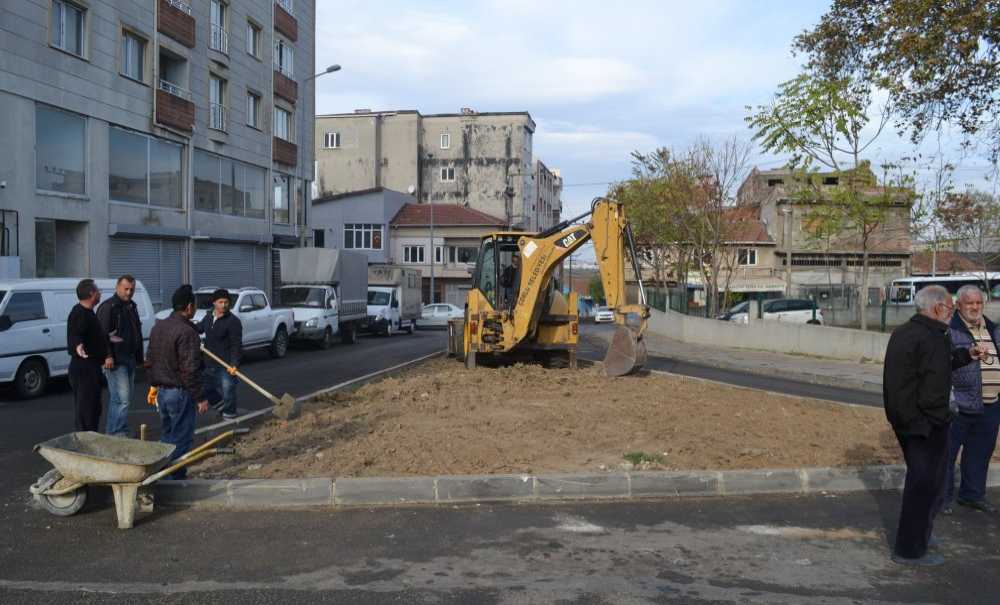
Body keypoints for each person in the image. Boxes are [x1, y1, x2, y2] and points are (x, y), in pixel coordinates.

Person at [883, 285, 981, 566]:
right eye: (951, 307)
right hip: (925, 424)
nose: (952, 312)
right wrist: (941, 418)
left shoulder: (905, 332)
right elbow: (933, 387)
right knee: (925, 486)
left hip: (906, 420)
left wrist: (965, 356)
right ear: (938, 308)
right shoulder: (933, 337)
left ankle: (920, 534)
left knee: (924, 483)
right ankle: (910, 549)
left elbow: (932, 368)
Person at [943, 285, 1000, 514]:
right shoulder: (949, 330)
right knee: (946, 454)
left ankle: (972, 495)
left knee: (980, 453)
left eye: (978, 303)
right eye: (970, 303)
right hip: (959, 404)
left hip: (991, 404)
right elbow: (942, 363)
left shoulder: (993, 329)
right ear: (959, 305)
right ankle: (942, 498)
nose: (975, 307)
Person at [146, 285, 208, 479]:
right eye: (194, 305)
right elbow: (190, 369)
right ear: (189, 307)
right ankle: (175, 478)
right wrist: (200, 397)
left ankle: (161, 474)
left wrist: (155, 385)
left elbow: (149, 359)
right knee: (181, 438)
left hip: (162, 393)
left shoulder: (158, 327)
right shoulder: (187, 333)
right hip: (179, 392)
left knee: (167, 436)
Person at [95, 275, 144, 436]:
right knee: (121, 399)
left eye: (132, 289)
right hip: (116, 361)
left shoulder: (131, 306)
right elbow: (102, 334)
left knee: (124, 398)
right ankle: (116, 432)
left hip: (128, 358)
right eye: (126, 289)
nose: (129, 292)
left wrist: (140, 359)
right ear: (117, 287)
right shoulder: (109, 307)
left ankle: (118, 430)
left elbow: (136, 332)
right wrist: (108, 356)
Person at [66, 279, 108, 432]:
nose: (100, 293)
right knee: (86, 410)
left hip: (92, 368)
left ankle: (91, 437)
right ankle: (85, 443)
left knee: (94, 408)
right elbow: (75, 334)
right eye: (98, 290)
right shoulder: (79, 313)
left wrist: (107, 338)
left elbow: (91, 336)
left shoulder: (89, 313)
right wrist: (78, 346)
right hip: (83, 369)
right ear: (91, 293)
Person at [198, 289, 242, 420]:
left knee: (228, 391)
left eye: (226, 302)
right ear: (214, 303)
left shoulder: (233, 321)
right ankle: (222, 407)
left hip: (226, 365)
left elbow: (236, 345)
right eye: (220, 302)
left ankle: (229, 417)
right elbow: (199, 328)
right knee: (204, 389)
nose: (224, 305)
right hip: (209, 363)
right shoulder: (208, 317)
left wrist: (234, 364)